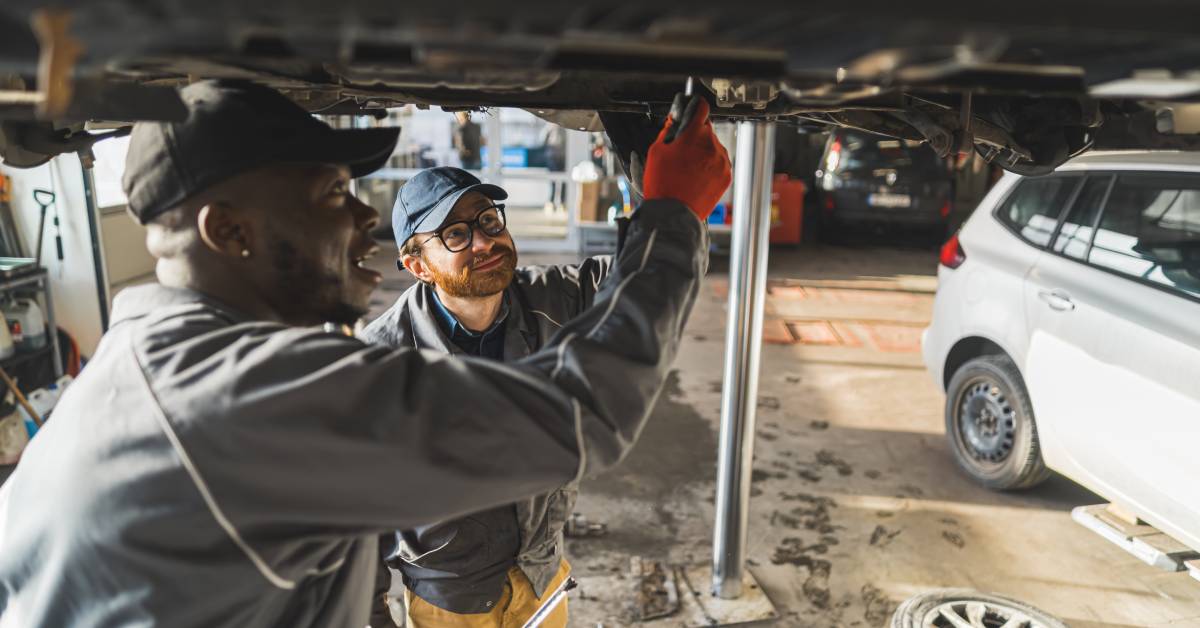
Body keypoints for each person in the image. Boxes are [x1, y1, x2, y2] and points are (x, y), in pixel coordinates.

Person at [0, 80, 730, 627]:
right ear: (231, 231)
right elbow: (584, 412)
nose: (365, 220)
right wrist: (675, 215)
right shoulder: (253, 393)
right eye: (330, 193)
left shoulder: (137, 362)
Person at [362, 166, 614, 627]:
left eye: (488, 221)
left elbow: (657, 276)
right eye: (454, 234)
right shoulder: (380, 359)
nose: (483, 242)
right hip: (451, 599)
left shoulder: (559, 300)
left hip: (541, 575)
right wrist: (374, 616)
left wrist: (665, 189)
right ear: (418, 265)